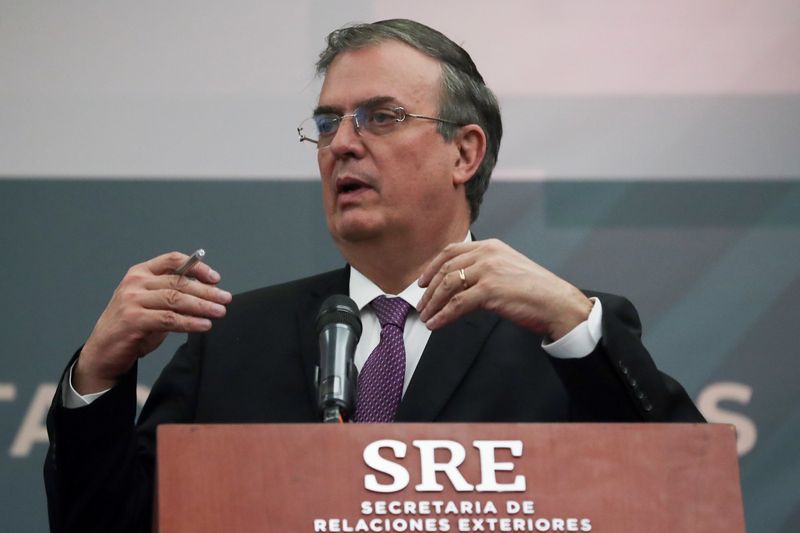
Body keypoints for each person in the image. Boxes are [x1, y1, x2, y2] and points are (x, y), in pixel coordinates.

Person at [44, 19, 704, 532]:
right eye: (329, 122)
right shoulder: (233, 339)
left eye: (380, 117)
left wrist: (573, 322)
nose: (342, 144)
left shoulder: (559, 333)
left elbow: (685, 499)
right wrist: (96, 376)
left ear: (464, 151)